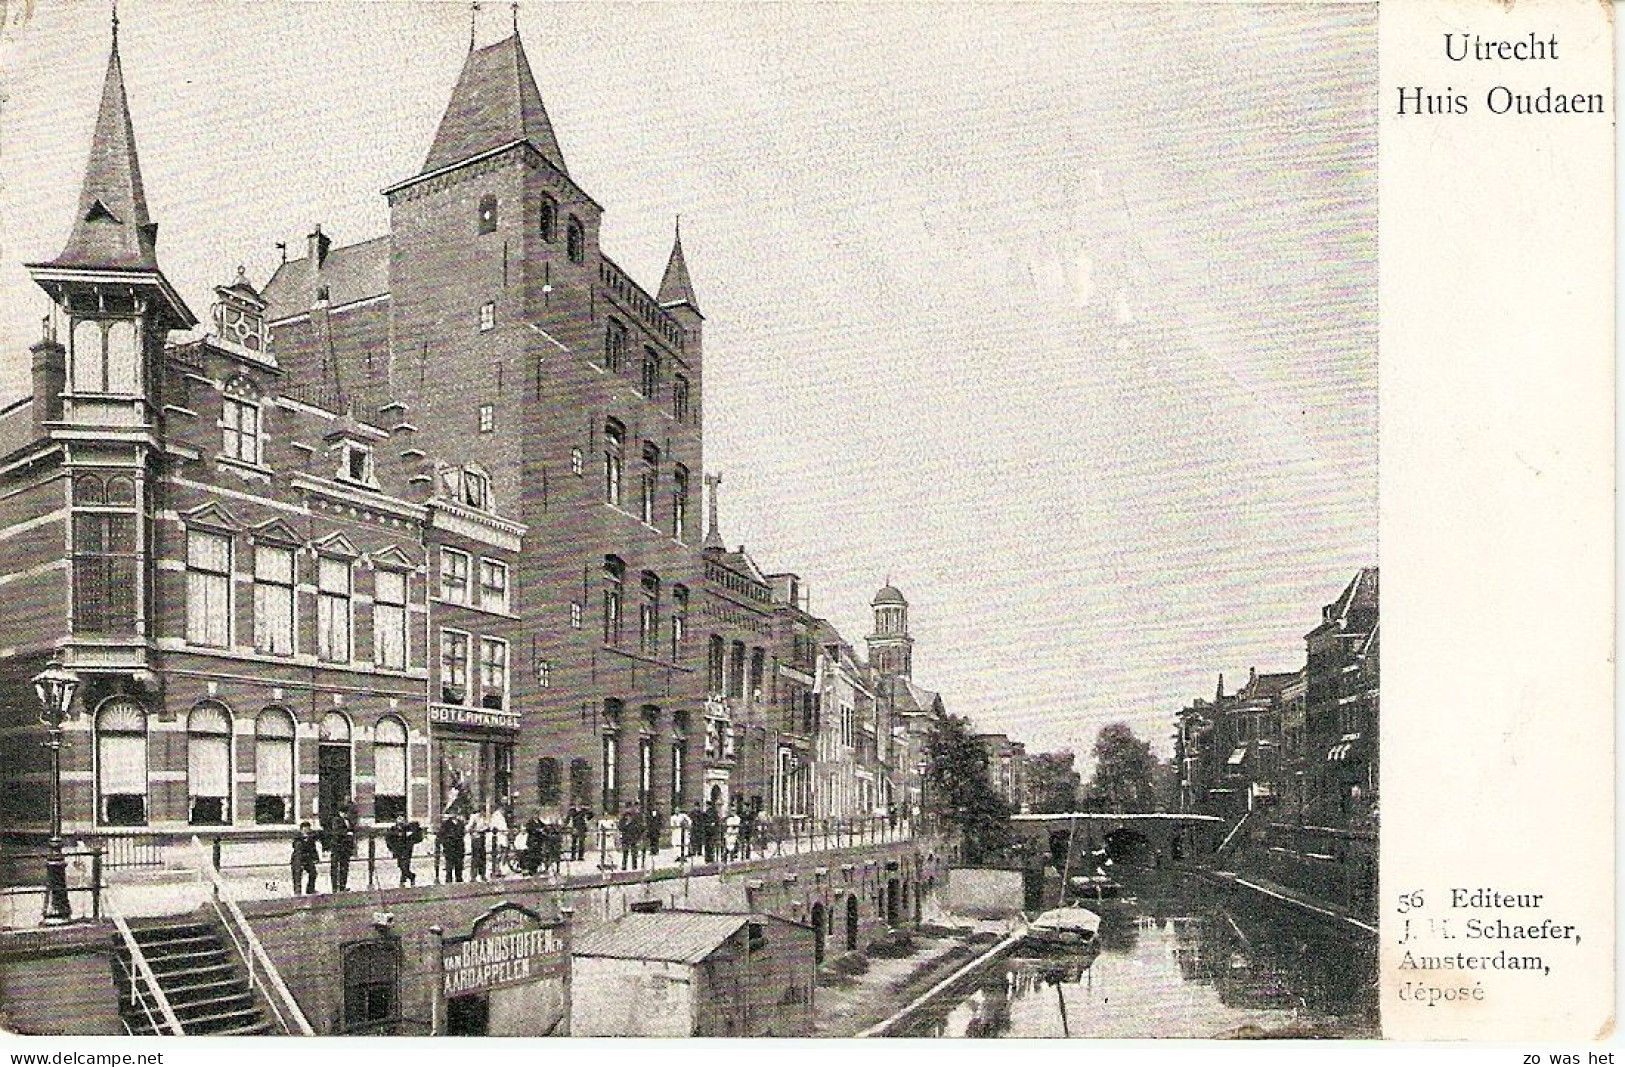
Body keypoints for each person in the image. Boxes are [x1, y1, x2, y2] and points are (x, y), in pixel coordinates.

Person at [385, 814, 424, 887]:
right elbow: (388, 839)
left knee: (405, 865)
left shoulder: (408, 828)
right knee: (400, 865)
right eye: (399, 822)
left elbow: (417, 835)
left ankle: (410, 877)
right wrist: (391, 848)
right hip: (398, 851)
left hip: (407, 850)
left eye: (402, 822)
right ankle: (404, 877)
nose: (400, 824)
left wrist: (411, 838)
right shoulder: (393, 829)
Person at [326, 807, 355, 892]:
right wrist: (347, 833)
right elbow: (336, 832)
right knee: (335, 867)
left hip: (346, 848)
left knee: (344, 867)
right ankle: (334, 887)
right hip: (337, 847)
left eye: (346, 813)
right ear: (340, 812)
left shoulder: (349, 821)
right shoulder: (336, 820)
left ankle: (343, 886)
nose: (345, 814)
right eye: (344, 813)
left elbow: (352, 831)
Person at [290, 821, 322, 895]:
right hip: (298, 859)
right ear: (301, 829)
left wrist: (316, 858)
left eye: (308, 828)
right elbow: (297, 849)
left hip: (308, 859)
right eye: (305, 828)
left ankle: (310, 889)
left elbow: (313, 848)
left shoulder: (311, 837)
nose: (307, 830)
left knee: (313, 873)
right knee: (297, 875)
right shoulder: (297, 838)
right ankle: (297, 891)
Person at [440, 812, 466, 883]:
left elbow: (462, 834)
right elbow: (442, 835)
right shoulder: (446, 824)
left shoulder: (461, 823)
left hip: (459, 847)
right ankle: (448, 880)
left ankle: (459, 879)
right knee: (449, 865)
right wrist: (445, 845)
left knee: (459, 865)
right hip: (449, 847)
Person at [618, 805, 643, 870]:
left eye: (629, 815)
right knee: (625, 853)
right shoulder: (623, 821)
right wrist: (626, 824)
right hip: (625, 838)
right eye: (627, 815)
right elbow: (620, 828)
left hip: (633, 838)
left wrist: (638, 838)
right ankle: (624, 866)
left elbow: (639, 829)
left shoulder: (635, 821)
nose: (628, 817)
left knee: (634, 853)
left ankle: (634, 866)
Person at [467, 809, 489, 880]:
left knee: (482, 857)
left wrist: (485, 828)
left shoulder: (483, 818)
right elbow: (469, 827)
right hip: (476, 838)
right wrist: (474, 832)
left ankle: (482, 874)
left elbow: (486, 825)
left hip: (482, 837)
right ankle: (473, 875)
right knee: (476, 857)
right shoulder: (474, 817)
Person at [490, 803, 510, 875]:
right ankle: (497, 869)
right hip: (499, 836)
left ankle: (501, 867)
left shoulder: (502, 816)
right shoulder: (496, 815)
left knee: (503, 852)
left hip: (504, 836)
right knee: (498, 853)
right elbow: (493, 826)